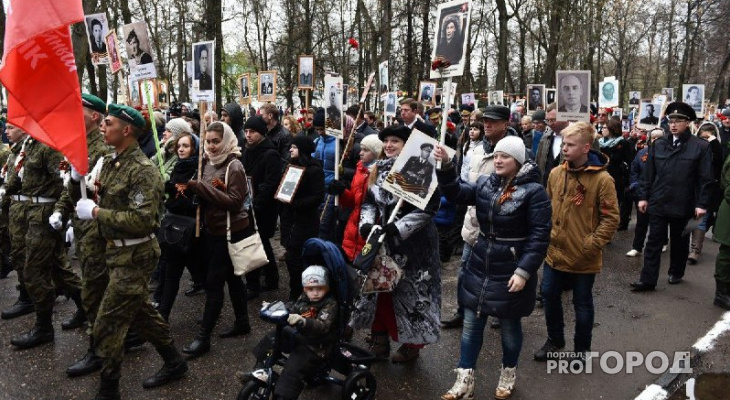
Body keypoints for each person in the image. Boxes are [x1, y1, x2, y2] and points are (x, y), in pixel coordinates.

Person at [74, 104, 187, 398]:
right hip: (114, 252)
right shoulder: (114, 162)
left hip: (135, 255)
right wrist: (80, 186)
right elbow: (104, 195)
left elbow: (142, 220)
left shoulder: (143, 171)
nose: (102, 126)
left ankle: (108, 388)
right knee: (140, 314)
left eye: (107, 123)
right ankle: (174, 361)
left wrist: (96, 213)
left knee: (107, 323)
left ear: (126, 131)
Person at [436, 135, 551, 400]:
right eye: (496, 155)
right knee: (470, 326)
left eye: (505, 156)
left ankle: (508, 373)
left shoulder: (534, 193)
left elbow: (539, 237)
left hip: (511, 269)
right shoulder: (486, 183)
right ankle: (464, 380)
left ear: (518, 161)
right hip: (480, 265)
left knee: (510, 330)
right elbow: (457, 193)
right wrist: (445, 167)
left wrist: (524, 271)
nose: (498, 160)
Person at [350, 124, 442, 363]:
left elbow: (429, 209)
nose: (389, 145)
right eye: (387, 141)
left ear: (406, 145)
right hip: (382, 239)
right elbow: (370, 204)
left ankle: (412, 343)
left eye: (395, 142)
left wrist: (399, 228)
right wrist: (367, 224)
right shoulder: (377, 169)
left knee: (411, 294)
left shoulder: (421, 170)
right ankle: (379, 340)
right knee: (378, 290)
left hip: (414, 245)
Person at [534, 121, 619, 363]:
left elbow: (611, 218)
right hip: (555, 251)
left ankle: (581, 349)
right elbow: (546, 207)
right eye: (564, 144)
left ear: (585, 148)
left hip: (584, 254)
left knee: (582, 303)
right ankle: (555, 339)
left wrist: (591, 244)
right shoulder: (555, 173)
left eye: (570, 145)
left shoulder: (603, 180)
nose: (564, 149)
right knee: (549, 296)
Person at [50, 94, 114, 376]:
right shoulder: (79, 146)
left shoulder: (101, 149)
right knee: (108, 293)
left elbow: (103, 191)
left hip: (96, 229)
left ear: (95, 117)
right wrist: (62, 214)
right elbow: (71, 188)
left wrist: (89, 216)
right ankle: (154, 347)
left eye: (81, 110)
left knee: (95, 291)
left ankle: (98, 350)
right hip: (84, 225)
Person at [7, 122, 85, 350]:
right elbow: (19, 177)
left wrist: (63, 213)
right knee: (57, 270)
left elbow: (64, 184)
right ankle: (85, 307)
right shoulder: (29, 144)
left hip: (44, 215)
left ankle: (44, 328)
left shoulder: (49, 146)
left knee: (35, 271)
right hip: (30, 213)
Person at [441, 106, 520, 329]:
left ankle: (499, 310)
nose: (486, 125)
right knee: (465, 269)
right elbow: (464, 184)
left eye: (492, 121)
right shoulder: (474, 150)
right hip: (474, 223)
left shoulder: (520, 152)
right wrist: (446, 169)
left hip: (503, 230)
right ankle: (462, 311)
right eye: (484, 120)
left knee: (502, 271)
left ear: (506, 124)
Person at [181, 121, 253, 356]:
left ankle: (203, 338)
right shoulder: (206, 163)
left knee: (213, 283)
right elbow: (203, 191)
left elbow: (235, 201)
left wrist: (200, 189)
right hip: (213, 230)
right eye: (208, 141)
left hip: (230, 231)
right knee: (232, 279)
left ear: (227, 140)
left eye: (216, 141)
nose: (211, 146)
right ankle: (243, 322)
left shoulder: (235, 165)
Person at [630, 103, 714, 291]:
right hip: (659, 200)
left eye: (679, 121)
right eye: (671, 121)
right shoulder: (659, 144)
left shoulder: (700, 147)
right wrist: (643, 197)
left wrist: (701, 204)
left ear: (688, 123)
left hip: (683, 203)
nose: (674, 125)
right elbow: (648, 174)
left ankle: (676, 271)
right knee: (653, 242)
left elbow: (705, 178)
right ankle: (648, 280)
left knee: (679, 242)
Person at [248, 266, 338, 400]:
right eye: (310, 289)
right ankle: (259, 369)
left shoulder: (330, 304)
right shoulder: (305, 297)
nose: (315, 293)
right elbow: (293, 307)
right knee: (273, 337)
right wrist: (275, 306)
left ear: (327, 287)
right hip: (299, 335)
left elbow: (322, 326)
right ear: (305, 288)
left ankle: (283, 395)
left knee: (293, 369)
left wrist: (303, 321)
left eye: (320, 288)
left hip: (316, 344)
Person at [156, 131, 205, 321]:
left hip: (191, 229)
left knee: (203, 273)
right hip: (175, 227)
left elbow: (192, 201)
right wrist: (168, 188)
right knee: (171, 273)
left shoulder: (199, 168)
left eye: (186, 146)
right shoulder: (178, 166)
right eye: (179, 146)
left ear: (194, 149)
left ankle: (212, 309)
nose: (181, 149)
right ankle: (163, 315)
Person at [241, 116, 283, 299]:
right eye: (247, 131)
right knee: (259, 244)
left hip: (263, 208)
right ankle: (268, 279)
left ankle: (257, 284)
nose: (248, 135)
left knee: (260, 243)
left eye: (252, 132)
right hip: (248, 204)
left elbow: (271, 182)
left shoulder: (270, 153)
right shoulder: (247, 150)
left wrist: (256, 204)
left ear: (262, 133)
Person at [279, 136, 325, 300]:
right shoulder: (291, 166)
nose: (290, 150)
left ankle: (301, 293)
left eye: (294, 147)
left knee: (300, 259)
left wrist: (296, 203)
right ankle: (295, 291)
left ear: (303, 150)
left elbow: (318, 196)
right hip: (290, 219)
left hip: (305, 221)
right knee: (292, 259)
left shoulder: (314, 170)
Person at [0, 126, 36, 320]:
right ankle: (28, 294)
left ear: (23, 130)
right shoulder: (15, 150)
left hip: (28, 209)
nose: (6, 131)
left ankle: (30, 298)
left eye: (11, 127)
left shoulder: (29, 150)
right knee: (19, 254)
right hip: (15, 208)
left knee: (29, 258)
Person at [329, 135, 383, 262]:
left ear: (376, 153)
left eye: (366, 150)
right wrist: (341, 192)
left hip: (369, 228)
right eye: (361, 149)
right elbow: (353, 201)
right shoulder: (359, 168)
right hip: (352, 228)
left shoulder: (382, 173)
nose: (360, 153)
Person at [687, 122, 723, 264]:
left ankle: (695, 250)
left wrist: (713, 141)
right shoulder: (694, 147)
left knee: (700, 219)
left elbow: (719, 161)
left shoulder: (717, 147)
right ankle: (685, 246)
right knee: (687, 218)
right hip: (691, 187)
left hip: (708, 188)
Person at [627, 129, 665, 257]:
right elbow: (634, 170)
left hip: (660, 193)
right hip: (643, 192)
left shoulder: (667, 153)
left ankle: (662, 242)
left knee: (659, 221)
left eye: (659, 137)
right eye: (653, 137)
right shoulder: (642, 153)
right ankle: (637, 247)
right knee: (641, 221)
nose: (655, 140)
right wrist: (635, 185)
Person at [599, 119, 633, 230]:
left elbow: (629, 162)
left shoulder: (623, 143)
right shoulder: (600, 143)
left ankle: (612, 226)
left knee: (613, 203)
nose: (602, 130)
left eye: (604, 128)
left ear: (612, 129)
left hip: (617, 178)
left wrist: (628, 181)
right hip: (601, 176)